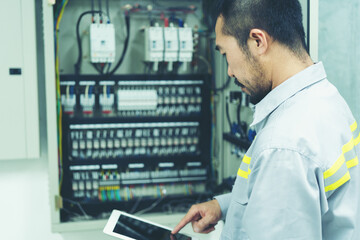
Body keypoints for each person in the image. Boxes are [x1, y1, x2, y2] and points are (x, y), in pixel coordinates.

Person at [171, 0, 360, 239]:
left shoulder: (283, 146)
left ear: (258, 41)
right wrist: (224, 206)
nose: (229, 71)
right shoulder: (326, 99)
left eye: (226, 54)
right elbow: (305, 199)